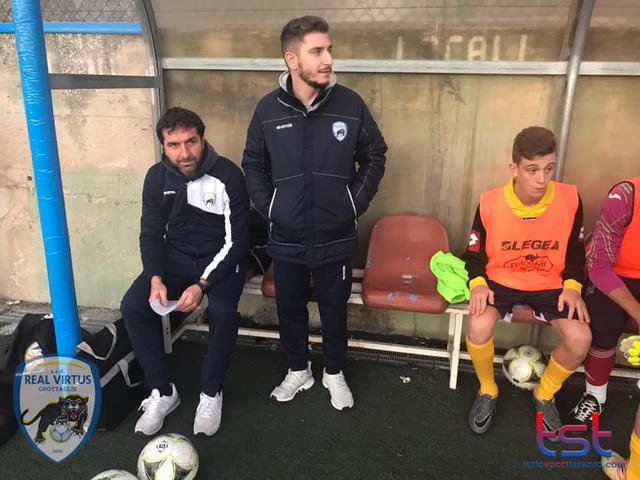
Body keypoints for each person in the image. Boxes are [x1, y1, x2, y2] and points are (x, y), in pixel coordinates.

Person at [242, 16, 387, 410]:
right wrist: (271, 207)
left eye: (329, 50)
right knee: (289, 308)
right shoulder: (268, 109)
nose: (328, 59)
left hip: (335, 235)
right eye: (317, 51)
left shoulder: (350, 104)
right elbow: (252, 164)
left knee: (334, 309)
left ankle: (334, 372)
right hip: (286, 235)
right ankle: (298, 369)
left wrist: (353, 203)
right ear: (292, 59)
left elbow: (374, 156)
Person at [121, 107, 249, 436]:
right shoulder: (156, 177)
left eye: (191, 142)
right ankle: (162, 391)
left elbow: (238, 242)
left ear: (202, 140)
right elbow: (150, 234)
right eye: (174, 145)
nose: (184, 153)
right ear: (163, 146)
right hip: (176, 257)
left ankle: (211, 392)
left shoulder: (228, 175)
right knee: (133, 305)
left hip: (221, 259)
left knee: (222, 311)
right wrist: (155, 278)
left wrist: (202, 284)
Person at [462, 126, 591, 436]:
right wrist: (477, 282)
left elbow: (575, 251)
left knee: (580, 339)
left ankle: (544, 393)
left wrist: (573, 286)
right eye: (532, 170)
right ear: (514, 168)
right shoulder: (490, 202)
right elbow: (474, 251)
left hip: (549, 282)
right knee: (478, 325)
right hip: (501, 279)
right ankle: (488, 389)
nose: (541, 179)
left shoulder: (570, 199)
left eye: (548, 169)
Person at [569, 177, 640, 424]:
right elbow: (598, 267)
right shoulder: (626, 195)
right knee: (603, 321)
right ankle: (595, 396)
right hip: (613, 274)